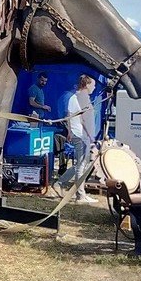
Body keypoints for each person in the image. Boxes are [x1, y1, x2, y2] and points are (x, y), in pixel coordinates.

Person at [62, 74, 98, 203]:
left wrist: (70, 131)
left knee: (81, 164)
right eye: (93, 85)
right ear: (87, 85)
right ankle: (80, 195)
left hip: (78, 134)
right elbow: (84, 120)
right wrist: (91, 137)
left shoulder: (76, 97)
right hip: (81, 135)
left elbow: (69, 115)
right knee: (81, 166)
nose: (94, 87)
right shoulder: (81, 98)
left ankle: (61, 182)